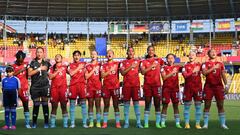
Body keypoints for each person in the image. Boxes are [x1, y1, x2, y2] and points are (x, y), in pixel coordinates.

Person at [202, 49, 229, 129]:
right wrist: (213, 67)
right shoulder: (205, 64)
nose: (213, 53)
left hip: (219, 86)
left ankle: (223, 124)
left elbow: (223, 75)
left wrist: (226, 86)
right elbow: (204, 73)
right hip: (208, 86)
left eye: (214, 52)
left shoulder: (220, 64)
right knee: (207, 105)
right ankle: (205, 124)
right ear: (208, 54)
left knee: (220, 105)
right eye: (211, 52)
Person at [140, 46, 164, 128]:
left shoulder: (159, 60)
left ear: (154, 51)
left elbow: (168, 64)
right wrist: (151, 66)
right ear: (147, 51)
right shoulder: (144, 62)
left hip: (157, 85)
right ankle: (146, 123)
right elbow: (143, 72)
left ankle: (158, 123)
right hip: (147, 85)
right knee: (147, 104)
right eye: (149, 50)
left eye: (152, 50)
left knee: (157, 104)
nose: (151, 51)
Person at [28, 47, 51, 128]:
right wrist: (39, 69)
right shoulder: (32, 63)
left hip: (45, 86)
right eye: (38, 52)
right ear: (35, 53)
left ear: (43, 53)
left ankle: (46, 123)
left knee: (45, 104)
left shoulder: (47, 63)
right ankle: (34, 123)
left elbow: (50, 75)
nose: (39, 53)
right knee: (36, 104)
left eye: (41, 52)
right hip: (35, 87)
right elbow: (29, 74)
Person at [120, 47, 143, 128]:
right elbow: (122, 73)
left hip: (136, 86)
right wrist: (130, 66)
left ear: (134, 53)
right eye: (129, 51)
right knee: (126, 104)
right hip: (126, 86)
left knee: (136, 104)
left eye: (132, 51)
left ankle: (139, 123)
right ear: (127, 53)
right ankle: (126, 123)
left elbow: (142, 71)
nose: (130, 52)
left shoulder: (138, 61)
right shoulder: (123, 62)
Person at [160, 53, 182, 128]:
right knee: (165, 105)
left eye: (172, 58)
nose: (170, 60)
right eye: (169, 58)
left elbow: (184, 66)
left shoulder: (177, 67)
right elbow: (164, 78)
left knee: (176, 106)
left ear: (174, 59)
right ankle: (162, 122)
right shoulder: (164, 68)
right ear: (166, 59)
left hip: (175, 89)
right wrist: (172, 72)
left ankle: (177, 123)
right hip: (166, 89)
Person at [182, 51, 202, 129]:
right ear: (188, 56)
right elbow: (185, 76)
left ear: (195, 56)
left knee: (198, 106)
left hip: (197, 88)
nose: (191, 56)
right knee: (187, 107)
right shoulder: (185, 66)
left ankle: (197, 124)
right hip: (188, 88)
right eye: (190, 55)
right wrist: (193, 71)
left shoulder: (199, 65)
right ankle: (187, 124)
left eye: (193, 55)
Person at [101, 50, 121, 128]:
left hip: (115, 87)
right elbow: (102, 76)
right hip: (106, 87)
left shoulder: (117, 64)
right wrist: (110, 70)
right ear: (106, 55)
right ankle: (105, 123)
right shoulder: (103, 65)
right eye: (108, 53)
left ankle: (118, 123)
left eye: (111, 53)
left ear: (113, 55)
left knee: (116, 105)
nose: (109, 54)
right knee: (106, 105)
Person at [68, 50, 88, 128]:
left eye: (78, 55)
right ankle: (72, 123)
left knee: (83, 105)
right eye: (75, 55)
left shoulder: (84, 65)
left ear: (80, 56)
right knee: (72, 105)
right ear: (73, 56)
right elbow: (71, 73)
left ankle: (84, 123)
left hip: (82, 86)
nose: (76, 57)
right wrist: (79, 68)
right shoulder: (70, 65)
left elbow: (86, 75)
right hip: (73, 86)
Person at [12, 50, 31, 128]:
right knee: (13, 106)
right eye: (19, 60)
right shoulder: (13, 66)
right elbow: (11, 75)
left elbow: (30, 74)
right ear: (16, 58)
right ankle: (12, 123)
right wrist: (20, 70)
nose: (21, 62)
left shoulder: (27, 64)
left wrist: (28, 69)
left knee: (26, 105)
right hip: (15, 89)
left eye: (22, 60)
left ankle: (27, 123)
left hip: (24, 89)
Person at [49, 54, 68, 128]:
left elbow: (72, 73)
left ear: (62, 58)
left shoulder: (65, 67)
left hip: (63, 89)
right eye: (56, 56)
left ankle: (65, 123)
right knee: (54, 106)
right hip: (54, 89)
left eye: (59, 57)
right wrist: (57, 71)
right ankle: (52, 124)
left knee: (64, 106)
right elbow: (50, 77)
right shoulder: (52, 67)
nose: (57, 57)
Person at [85, 50, 102, 128]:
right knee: (90, 105)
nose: (93, 55)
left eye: (94, 54)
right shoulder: (87, 65)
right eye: (92, 54)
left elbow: (102, 76)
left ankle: (98, 122)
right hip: (90, 87)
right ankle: (91, 122)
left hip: (98, 87)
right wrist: (93, 70)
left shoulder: (100, 65)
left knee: (98, 105)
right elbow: (86, 76)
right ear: (90, 55)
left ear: (97, 55)